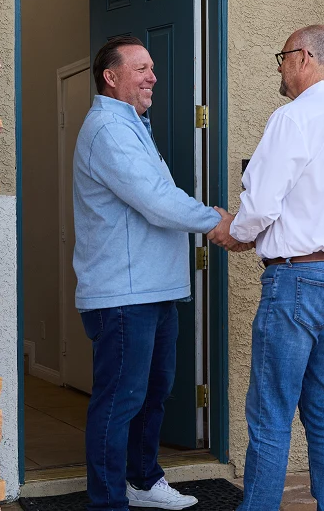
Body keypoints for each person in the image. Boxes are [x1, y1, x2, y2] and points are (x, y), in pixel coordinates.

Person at [72, 35, 235, 511]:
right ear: (111, 76)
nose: (153, 77)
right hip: (123, 295)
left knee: (152, 395)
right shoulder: (107, 129)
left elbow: (157, 195)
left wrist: (211, 219)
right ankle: (107, 502)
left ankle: (142, 482)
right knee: (120, 402)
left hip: (152, 290)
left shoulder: (133, 126)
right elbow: (156, 200)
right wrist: (215, 221)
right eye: (141, 68)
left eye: (152, 68)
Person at [228, 25, 324, 511]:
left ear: (304, 58)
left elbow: (262, 205)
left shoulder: (293, 119)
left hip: (298, 282)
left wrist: (235, 232)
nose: (278, 66)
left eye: (282, 56)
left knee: (270, 414)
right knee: (321, 409)